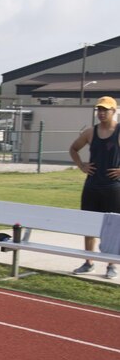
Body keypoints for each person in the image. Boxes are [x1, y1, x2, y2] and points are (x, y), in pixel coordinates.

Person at [68, 96, 120, 279]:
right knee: (88, 224)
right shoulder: (91, 132)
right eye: (99, 109)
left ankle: (112, 265)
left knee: (113, 227)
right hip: (91, 186)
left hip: (113, 187)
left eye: (106, 109)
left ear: (114, 111)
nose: (102, 113)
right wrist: (82, 165)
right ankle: (88, 262)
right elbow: (73, 148)